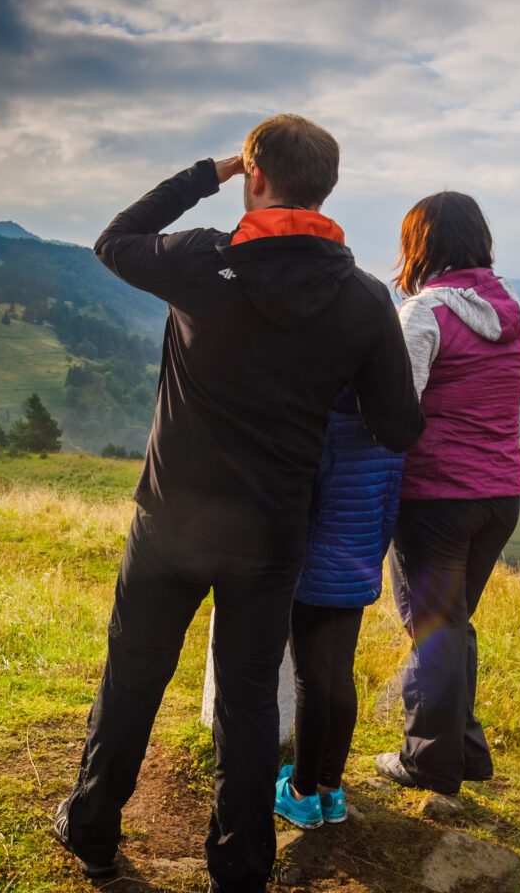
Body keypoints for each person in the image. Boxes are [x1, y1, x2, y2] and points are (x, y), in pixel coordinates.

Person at [53, 115, 426, 893]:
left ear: (254, 177)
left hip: (172, 517)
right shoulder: (361, 300)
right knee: (251, 697)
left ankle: (93, 832)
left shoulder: (201, 259)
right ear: (327, 187)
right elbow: (397, 425)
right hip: (273, 527)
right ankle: (242, 869)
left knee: (134, 676)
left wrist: (206, 173)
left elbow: (115, 240)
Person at [374, 191, 520, 797]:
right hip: (500, 495)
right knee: (452, 623)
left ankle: (429, 763)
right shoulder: (514, 307)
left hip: (436, 496)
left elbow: (397, 410)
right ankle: (465, 750)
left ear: (421, 245)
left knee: (432, 627)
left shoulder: (425, 313)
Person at [272, 378, 405, 829]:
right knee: (338, 676)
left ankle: (302, 791)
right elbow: (390, 508)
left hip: (312, 571)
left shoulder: (324, 422)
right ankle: (331, 789)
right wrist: (369, 557)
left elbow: (302, 502)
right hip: (358, 566)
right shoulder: (391, 426)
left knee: (311, 680)